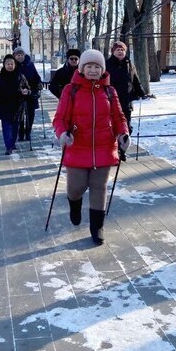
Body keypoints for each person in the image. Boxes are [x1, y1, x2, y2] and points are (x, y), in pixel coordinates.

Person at [53, 49, 130, 245]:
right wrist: (62, 134)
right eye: (89, 66)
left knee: (99, 187)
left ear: (102, 69)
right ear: (82, 68)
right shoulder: (71, 90)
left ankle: (97, 227)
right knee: (76, 187)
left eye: (97, 67)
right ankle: (75, 204)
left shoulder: (109, 91)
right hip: (77, 146)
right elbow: (60, 118)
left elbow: (119, 117)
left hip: (104, 147)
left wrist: (123, 134)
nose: (93, 70)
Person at [105, 41, 146, 159]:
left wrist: (141, 92)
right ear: (113, 51)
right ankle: (112, 149)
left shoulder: (129, 64)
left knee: (126, 127)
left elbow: (135, 80)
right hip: (110, 101)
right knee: (112, 126)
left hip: (126, 101)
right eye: (118, 50)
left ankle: (121, 150)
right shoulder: (107, 64)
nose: (120, 52)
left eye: (122, 50)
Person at [0, 54, 31, 155]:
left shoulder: (20, 76)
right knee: (6, 127)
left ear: (15, 65)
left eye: (12, 64)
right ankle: (8, 146)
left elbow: (27, 88)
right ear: (4, 65)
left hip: (17, 106)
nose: (10, 66)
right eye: (8, 64)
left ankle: (12, 143)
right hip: (4, 105)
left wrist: (26, 91)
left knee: (15, 128)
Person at [12, 46, 43, 141]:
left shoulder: (30, 65)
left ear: (24, 55)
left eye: (21, 55)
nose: (20, 57)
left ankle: (28, 132)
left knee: (30, 114)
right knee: (19, 114)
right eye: (18, 55)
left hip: (31, 92)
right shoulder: (12, 65)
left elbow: (36, 76)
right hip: (18, 94)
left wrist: (39, 83)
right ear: (14, 56)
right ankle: (20, 133)